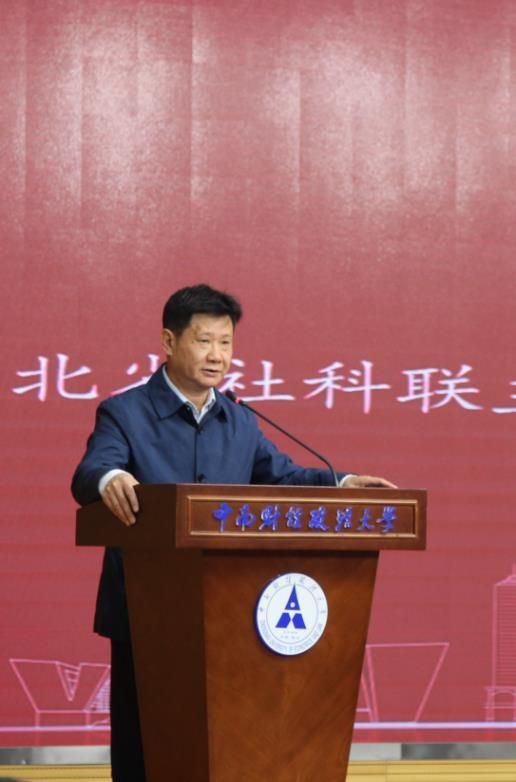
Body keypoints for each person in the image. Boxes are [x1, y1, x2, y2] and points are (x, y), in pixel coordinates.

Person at [71, 283, 396, 782]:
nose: (217, 356)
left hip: (229, 618)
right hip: (146, 610)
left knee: (225, 744)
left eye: (225, 343)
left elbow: (283, 477)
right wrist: (110, 478)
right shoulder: (125, 412)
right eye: (204, 341)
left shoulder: (240, 419)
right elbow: (91, 470)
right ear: (169, 341)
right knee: (146, 750)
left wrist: (342, 482)